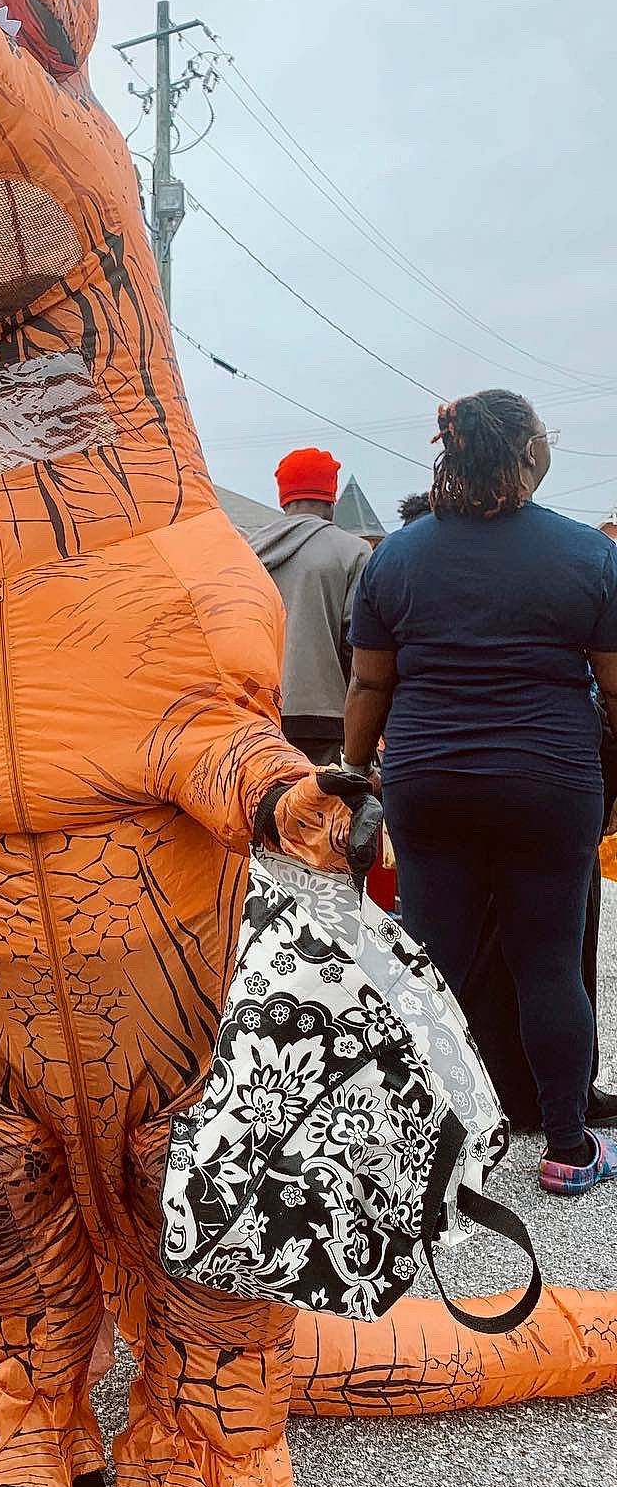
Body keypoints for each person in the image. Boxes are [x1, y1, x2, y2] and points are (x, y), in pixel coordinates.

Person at [344, 389, 617, 1193]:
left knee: (433, 967)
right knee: (547, 963)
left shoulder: (396, 555)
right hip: (549, 782)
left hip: (430, 783)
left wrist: (355, 773)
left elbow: (368, 683)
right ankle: (568, 1150)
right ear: (529, 453)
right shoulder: (588, 556)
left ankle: (422, 1154)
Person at [249, 448, 372, 764]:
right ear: (331, 497)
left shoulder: (247, 552)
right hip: (326, 718)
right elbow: (359, 646)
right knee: (328, 812)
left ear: (283, 497)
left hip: (254, 714)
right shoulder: (353, 552)